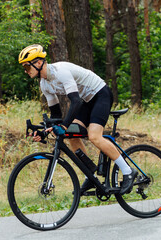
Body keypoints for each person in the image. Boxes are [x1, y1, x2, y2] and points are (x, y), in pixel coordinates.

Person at [18, 44, 137, 195]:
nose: (26, 71)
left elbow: (76, 101)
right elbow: (56, 115)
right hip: (87, 101)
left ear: (39, 63)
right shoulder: (44, 84)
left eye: (27, 67)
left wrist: (64, 126)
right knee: (71, 135)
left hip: (100, 94)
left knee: (94, 136)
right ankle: (91, 175)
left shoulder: (61, 71)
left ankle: (128, 171)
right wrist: (44, 132)